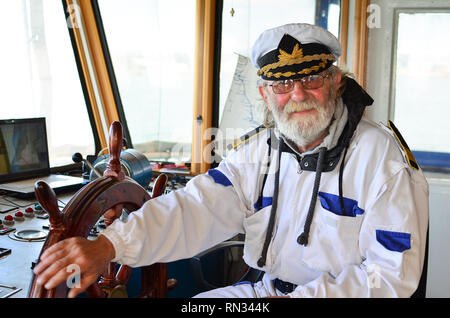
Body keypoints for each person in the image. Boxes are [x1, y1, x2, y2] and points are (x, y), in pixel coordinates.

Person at [33, 23, 429, 298]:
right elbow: (194, 207)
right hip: (263, 291)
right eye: (282, 84)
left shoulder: (383, 161)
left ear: (336, 82)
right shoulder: (259, 152)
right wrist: (108, 245)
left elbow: (390, 278)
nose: (298, 95)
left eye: (312, 78)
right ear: (264, 93)